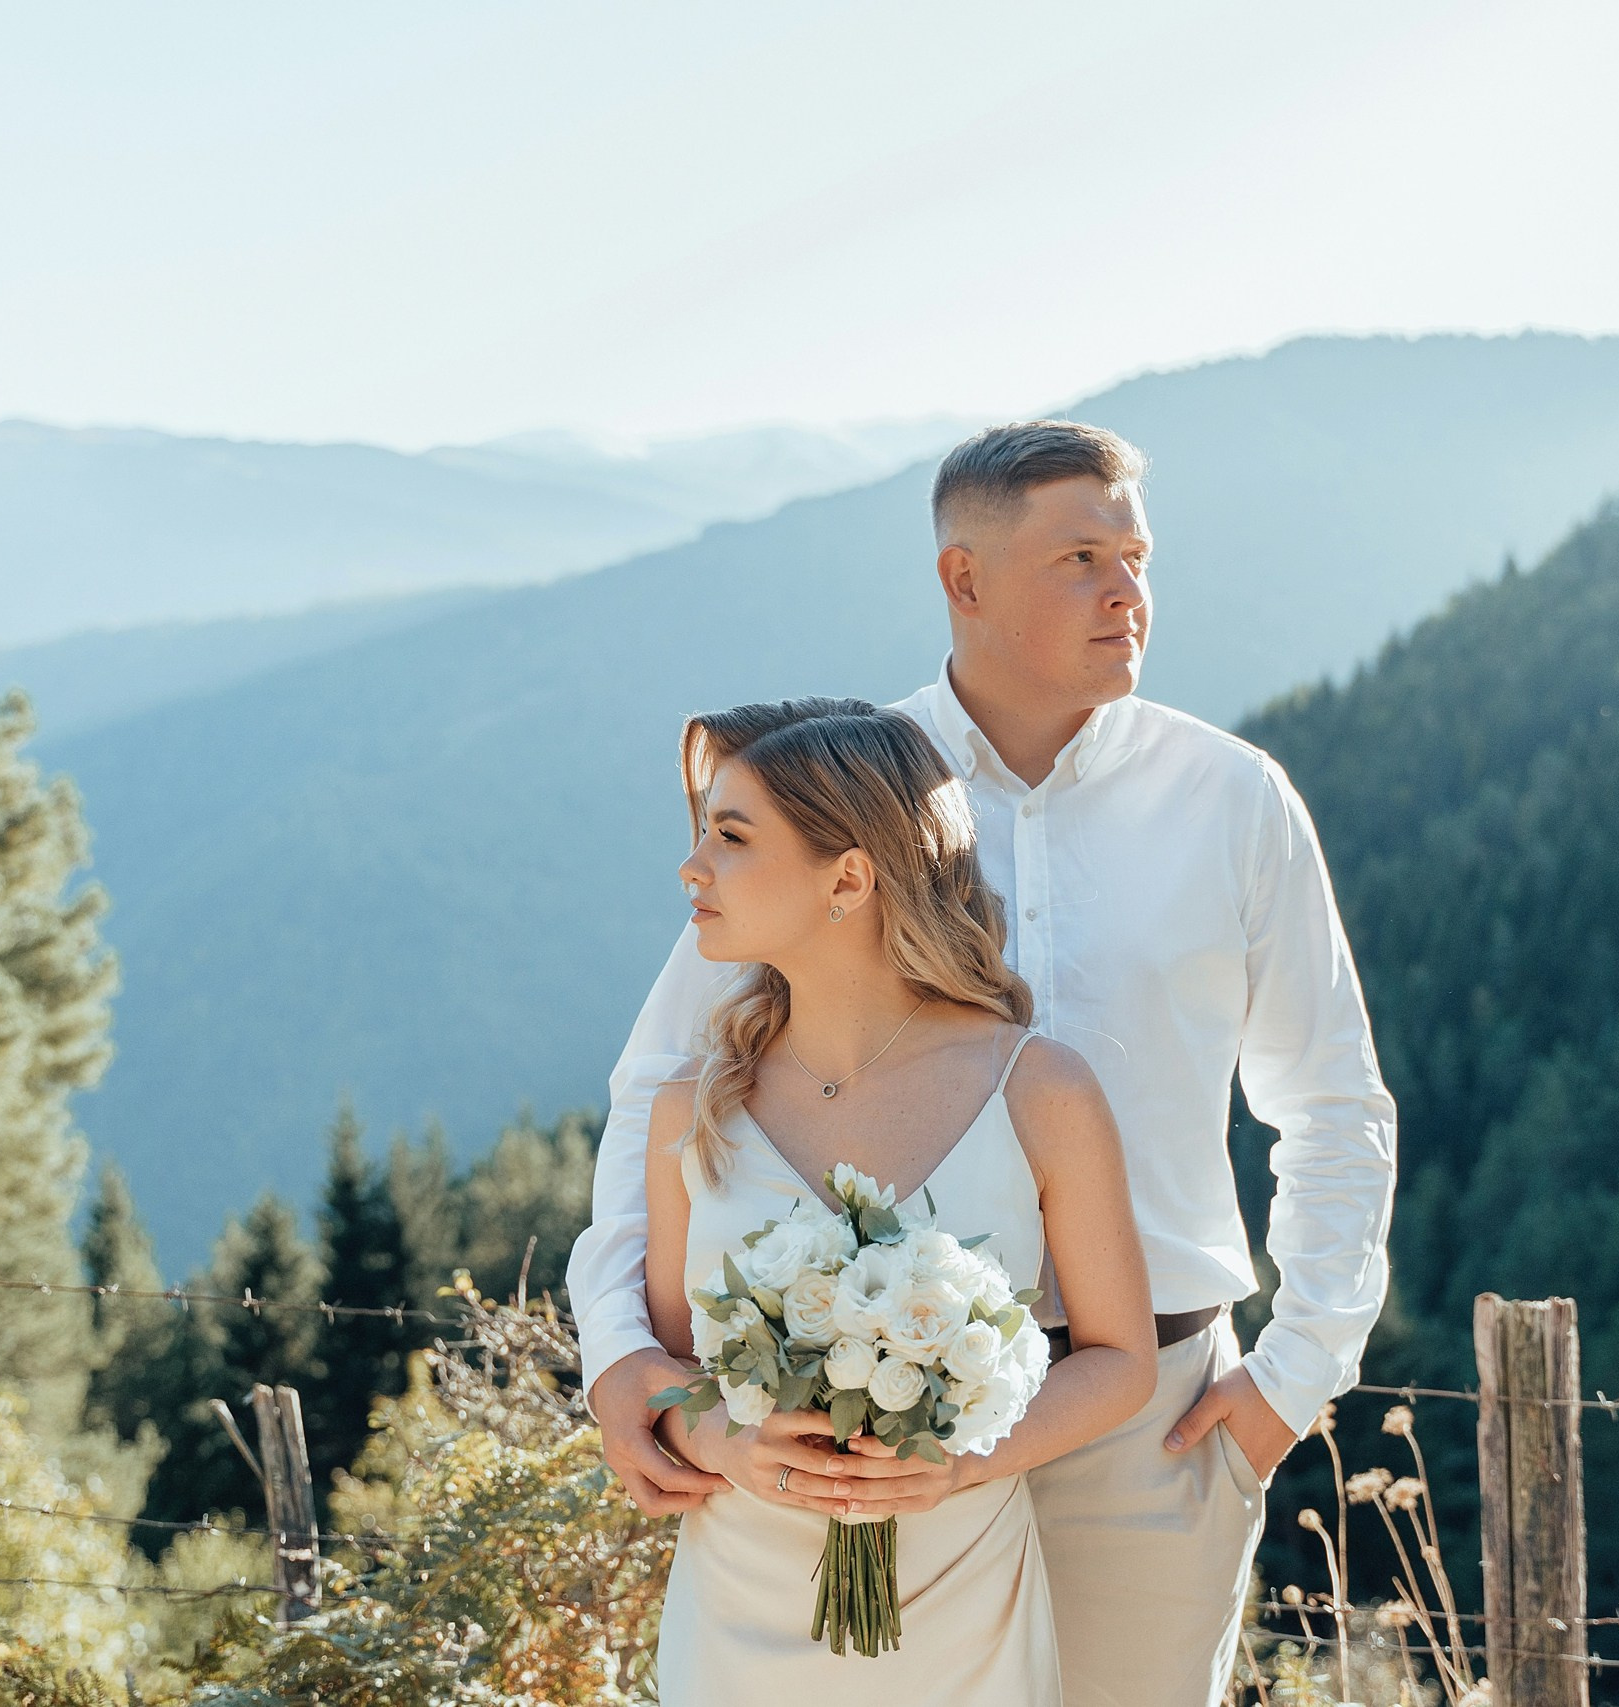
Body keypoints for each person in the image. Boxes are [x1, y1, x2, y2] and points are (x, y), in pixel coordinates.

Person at [571, 420, 1399, 1704]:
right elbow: (659, 1091)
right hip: (852, 1438)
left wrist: (1292, 1378)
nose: (1127, 591)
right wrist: (620, 1348)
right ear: (964, 579)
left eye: (1137, 555)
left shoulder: (1233, 800)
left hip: (1152, 1420)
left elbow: (1333, 1104)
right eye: (1081, 557)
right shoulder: (841, 787)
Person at [644, 697, 1156, 1703]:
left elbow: (1120, 1361)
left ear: (847, 878)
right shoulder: (692, 1109)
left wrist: (961, 1464)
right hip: (736, 1608)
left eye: (730, 837)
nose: (691, 867)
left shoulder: (1038, 1089)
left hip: (958, 1604)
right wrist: (723, 1444)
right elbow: (665, 1371)